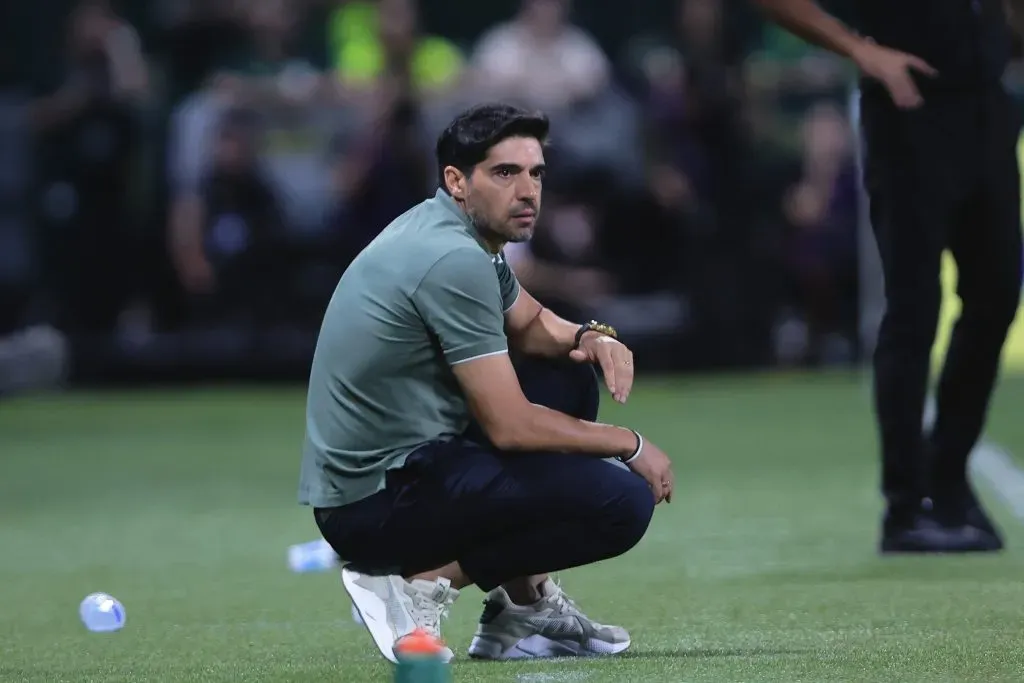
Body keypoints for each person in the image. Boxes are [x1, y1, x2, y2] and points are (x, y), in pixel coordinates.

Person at [298, 103, 675, 663]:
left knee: (567, 376)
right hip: (373, 506)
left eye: (536, 173)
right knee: (621, 501)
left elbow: (529, 323)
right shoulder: (452, 258)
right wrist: (633, 445)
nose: (528, 191)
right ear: (457, 180)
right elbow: (511, 425)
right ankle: (417, 586)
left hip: (398, 473)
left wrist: (594, 336)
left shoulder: (453, 231)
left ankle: (521, 612)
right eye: (505, 173)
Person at [752, 0, 1023, 553]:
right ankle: (905, 504)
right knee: (913, 306)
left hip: (987, 108)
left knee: (997, 293)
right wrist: (861, 50)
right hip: (909, 109)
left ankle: (949, 478)